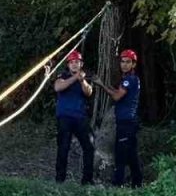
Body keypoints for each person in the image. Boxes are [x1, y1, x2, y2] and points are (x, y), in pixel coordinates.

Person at [96, 48, 142, 187]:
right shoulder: (130, 79)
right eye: (122, 61)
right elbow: (119, 92)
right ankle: (137, 182)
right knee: (132, 154)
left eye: (128, 62)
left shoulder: (129, 80)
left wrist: (101, 84)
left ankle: (117, 185)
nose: (124, 65)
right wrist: (107, 85)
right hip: (130, 122)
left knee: (120, 154)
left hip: (126, 123)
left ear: (134, 64)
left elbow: (116, 96)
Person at [54, 50, 95, 185]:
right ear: (68, 65)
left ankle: (87, 180)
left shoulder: (85, 78)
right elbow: (58, 87)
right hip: (64, 118)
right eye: (71, 62)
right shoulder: (63, 75)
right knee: (63, 148)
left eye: (77, 62)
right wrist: (74, 78)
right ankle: (60, 180)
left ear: (81, 64)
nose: (74, 65)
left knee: (89, 147)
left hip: (80, 118)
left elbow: (89, 92)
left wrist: (81, 79)